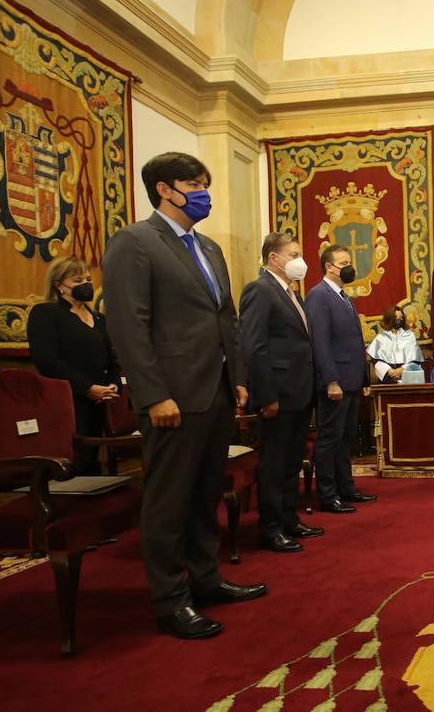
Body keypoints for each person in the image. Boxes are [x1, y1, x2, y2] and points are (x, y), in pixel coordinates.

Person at [103, 152, 264, 640]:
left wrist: (236, 377)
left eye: (204, 182)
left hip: (213, 391)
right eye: (193, 183)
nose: (203, 192)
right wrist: (153, 395)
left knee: (204, 493)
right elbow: (128, 325)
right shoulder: (134, 242)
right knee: (169, 500)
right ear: (163, 190)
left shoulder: (210, 249)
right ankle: (171, 599)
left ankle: (206, 578)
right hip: (170, 395)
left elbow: (226, 318)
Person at [238, 232, 324, 554]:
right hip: (278, 394)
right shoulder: (259, 290)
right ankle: (271, 528)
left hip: (299, 391)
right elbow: (255, 346)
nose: (300, 260)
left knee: (290, 461)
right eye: (294, 254)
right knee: (274, 464)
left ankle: (290, 519)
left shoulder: (291, 293)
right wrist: (267, 395)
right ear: (274, 258)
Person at [27, 256, 119, 475]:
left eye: (88, 279)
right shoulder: (45, 313)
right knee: (73, 464)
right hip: (68, 401)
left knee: (92, 462)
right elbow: (47, 360)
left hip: (100, 401)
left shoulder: (98, 318)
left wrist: (113, 384)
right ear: (59, 285)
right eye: (78, 280)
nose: (86, 284)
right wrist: (87, 388)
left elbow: (112, 358)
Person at [306, 244, 379, 513]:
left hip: (351, 380)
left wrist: (363, 379)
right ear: (329, 267)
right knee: (329, 439)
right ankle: (327, 495)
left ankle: (346, 488)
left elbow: (355, 342)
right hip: (335, 382)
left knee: (345, 437)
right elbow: (321, 342)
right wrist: (331, 381)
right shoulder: (318, 296)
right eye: (344, 262)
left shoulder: (344, 297)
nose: (350, 266)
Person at [368, 305, 425, 382]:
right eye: (396, 317)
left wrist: (402, 370)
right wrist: (389, 371)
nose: (399, 319)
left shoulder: (410, 335)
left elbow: (415, 360)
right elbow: (376, 360)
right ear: (390, 318)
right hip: (387, 377)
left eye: (401, 317)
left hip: (407, 376)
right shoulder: (380, 337)